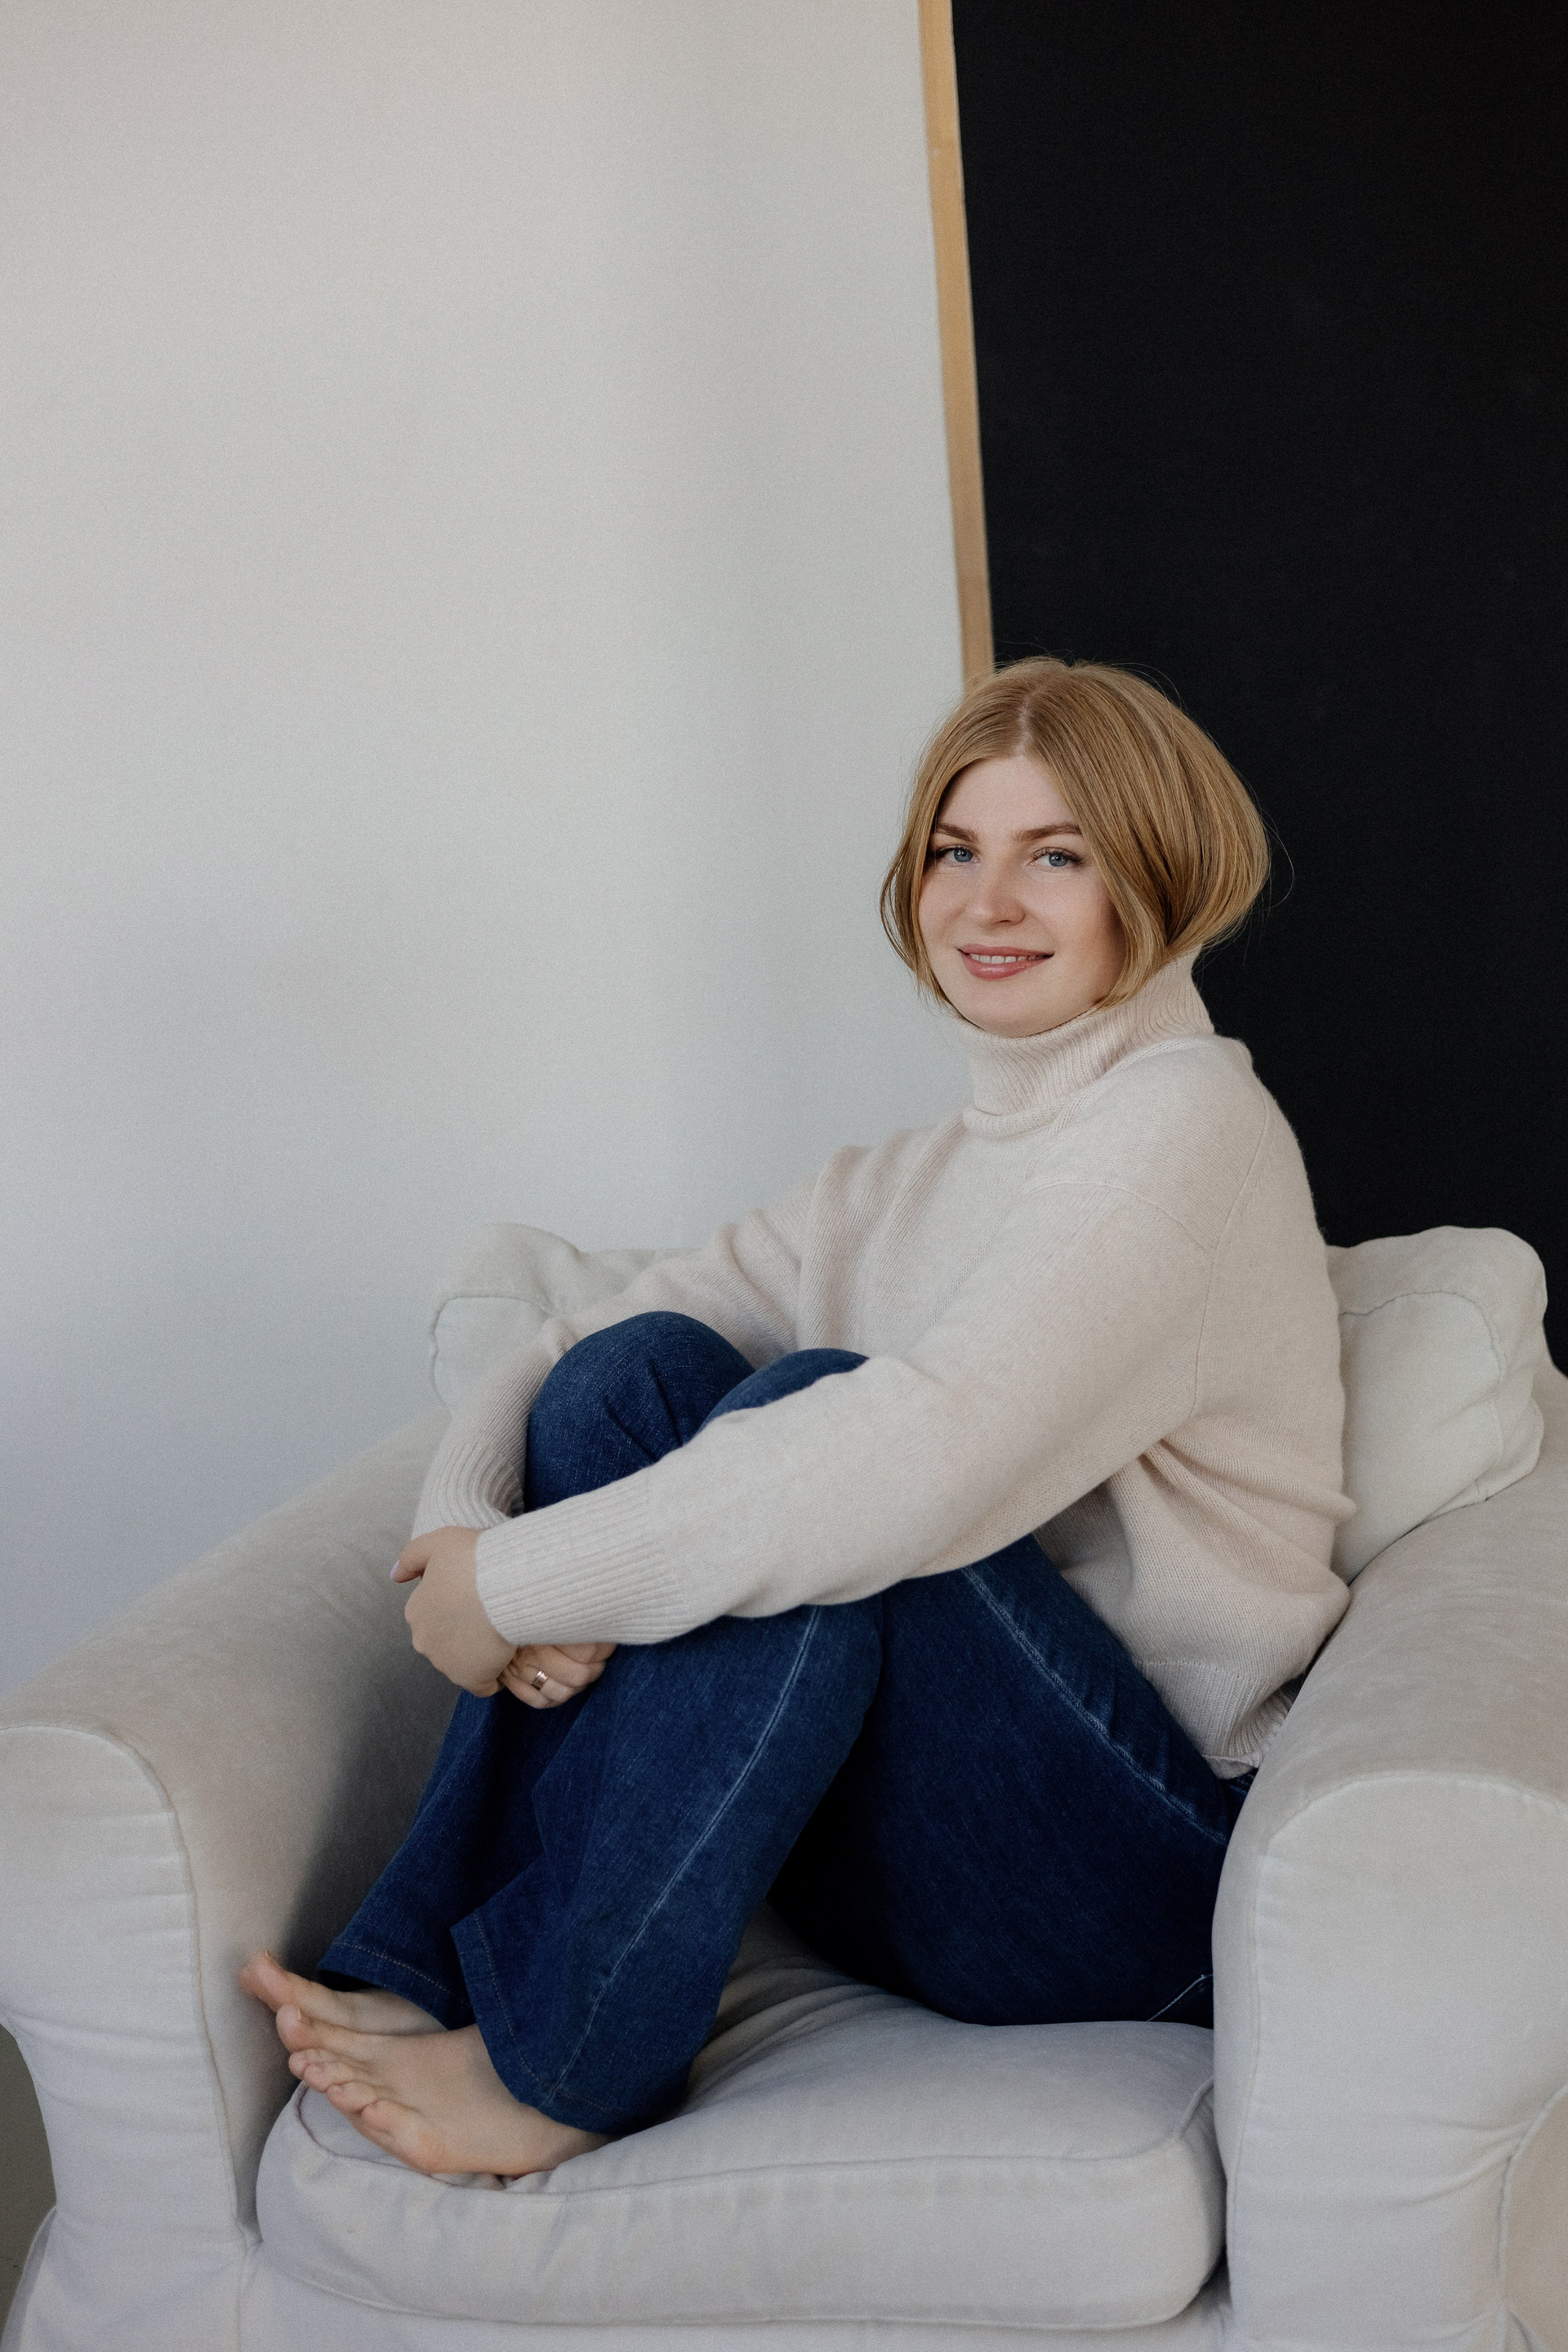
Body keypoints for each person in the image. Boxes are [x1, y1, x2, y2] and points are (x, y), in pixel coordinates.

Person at [242, 656, 1352, 2182]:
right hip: (920, 1854)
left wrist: (529, 1587)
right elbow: (571, 1347)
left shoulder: (1187, 1131)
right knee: (636, 1379)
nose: (987, 902)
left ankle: (568, 2064)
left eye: (1057, 856)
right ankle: (424, 1966)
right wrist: (468, 1531)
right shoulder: (911, 1179)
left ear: (1153, 879)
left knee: (816, 1431)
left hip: (1137, 1884)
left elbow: (914, 1459)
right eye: (956, 851)